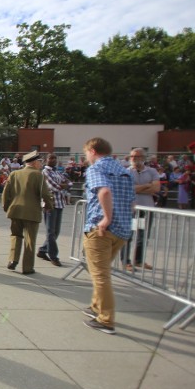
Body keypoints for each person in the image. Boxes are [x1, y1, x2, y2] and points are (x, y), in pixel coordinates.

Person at [81, 137, 135, 334]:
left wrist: (106, 218)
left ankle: (106, 319)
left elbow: (103, 192)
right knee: (101, 271)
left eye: (86, 153)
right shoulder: (124, 171)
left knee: (100, 275)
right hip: (121, 230)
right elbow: (132, 203)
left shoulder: (96, 168)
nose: (86, 157)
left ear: (93, 151)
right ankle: (96, 306)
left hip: (101, 230)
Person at [2, 150, 53, 275]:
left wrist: (7, 207)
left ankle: (12, 260)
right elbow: (45, 194)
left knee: (15, 236)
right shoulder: (38, 175)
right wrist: (49, 206)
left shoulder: (14, 174)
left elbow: (6, 193)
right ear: (34, 162)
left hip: (15, 210)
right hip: (32, 212)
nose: (40, 164)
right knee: (30, 240)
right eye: (39, 162)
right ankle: (27, 267)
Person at [121, 148, 160, 271]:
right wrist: (148, 185)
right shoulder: (126, 172)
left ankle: (138, 260)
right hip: (131, 209)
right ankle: (125, 261)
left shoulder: (152, 171)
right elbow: (128, 189)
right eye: (132, 156)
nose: (134, 159)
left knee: (143, 235)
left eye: (137, 157)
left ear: (143, 158)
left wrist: (138, 188)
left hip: (146, 208)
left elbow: (156, 188)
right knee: (128, 235)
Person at [38, 153, 73, 267]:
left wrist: (64, 185)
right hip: (50, 204)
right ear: (46, 160)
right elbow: (54, 187)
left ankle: (43, 250)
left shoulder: (57, 172)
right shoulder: (45, 172)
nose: (53, 160)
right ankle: (53, 255)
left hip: (60, 203)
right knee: (50, 231)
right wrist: (63, 185)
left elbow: (69, 183)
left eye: (55, 158)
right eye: (51, 158)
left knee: (56, 231)